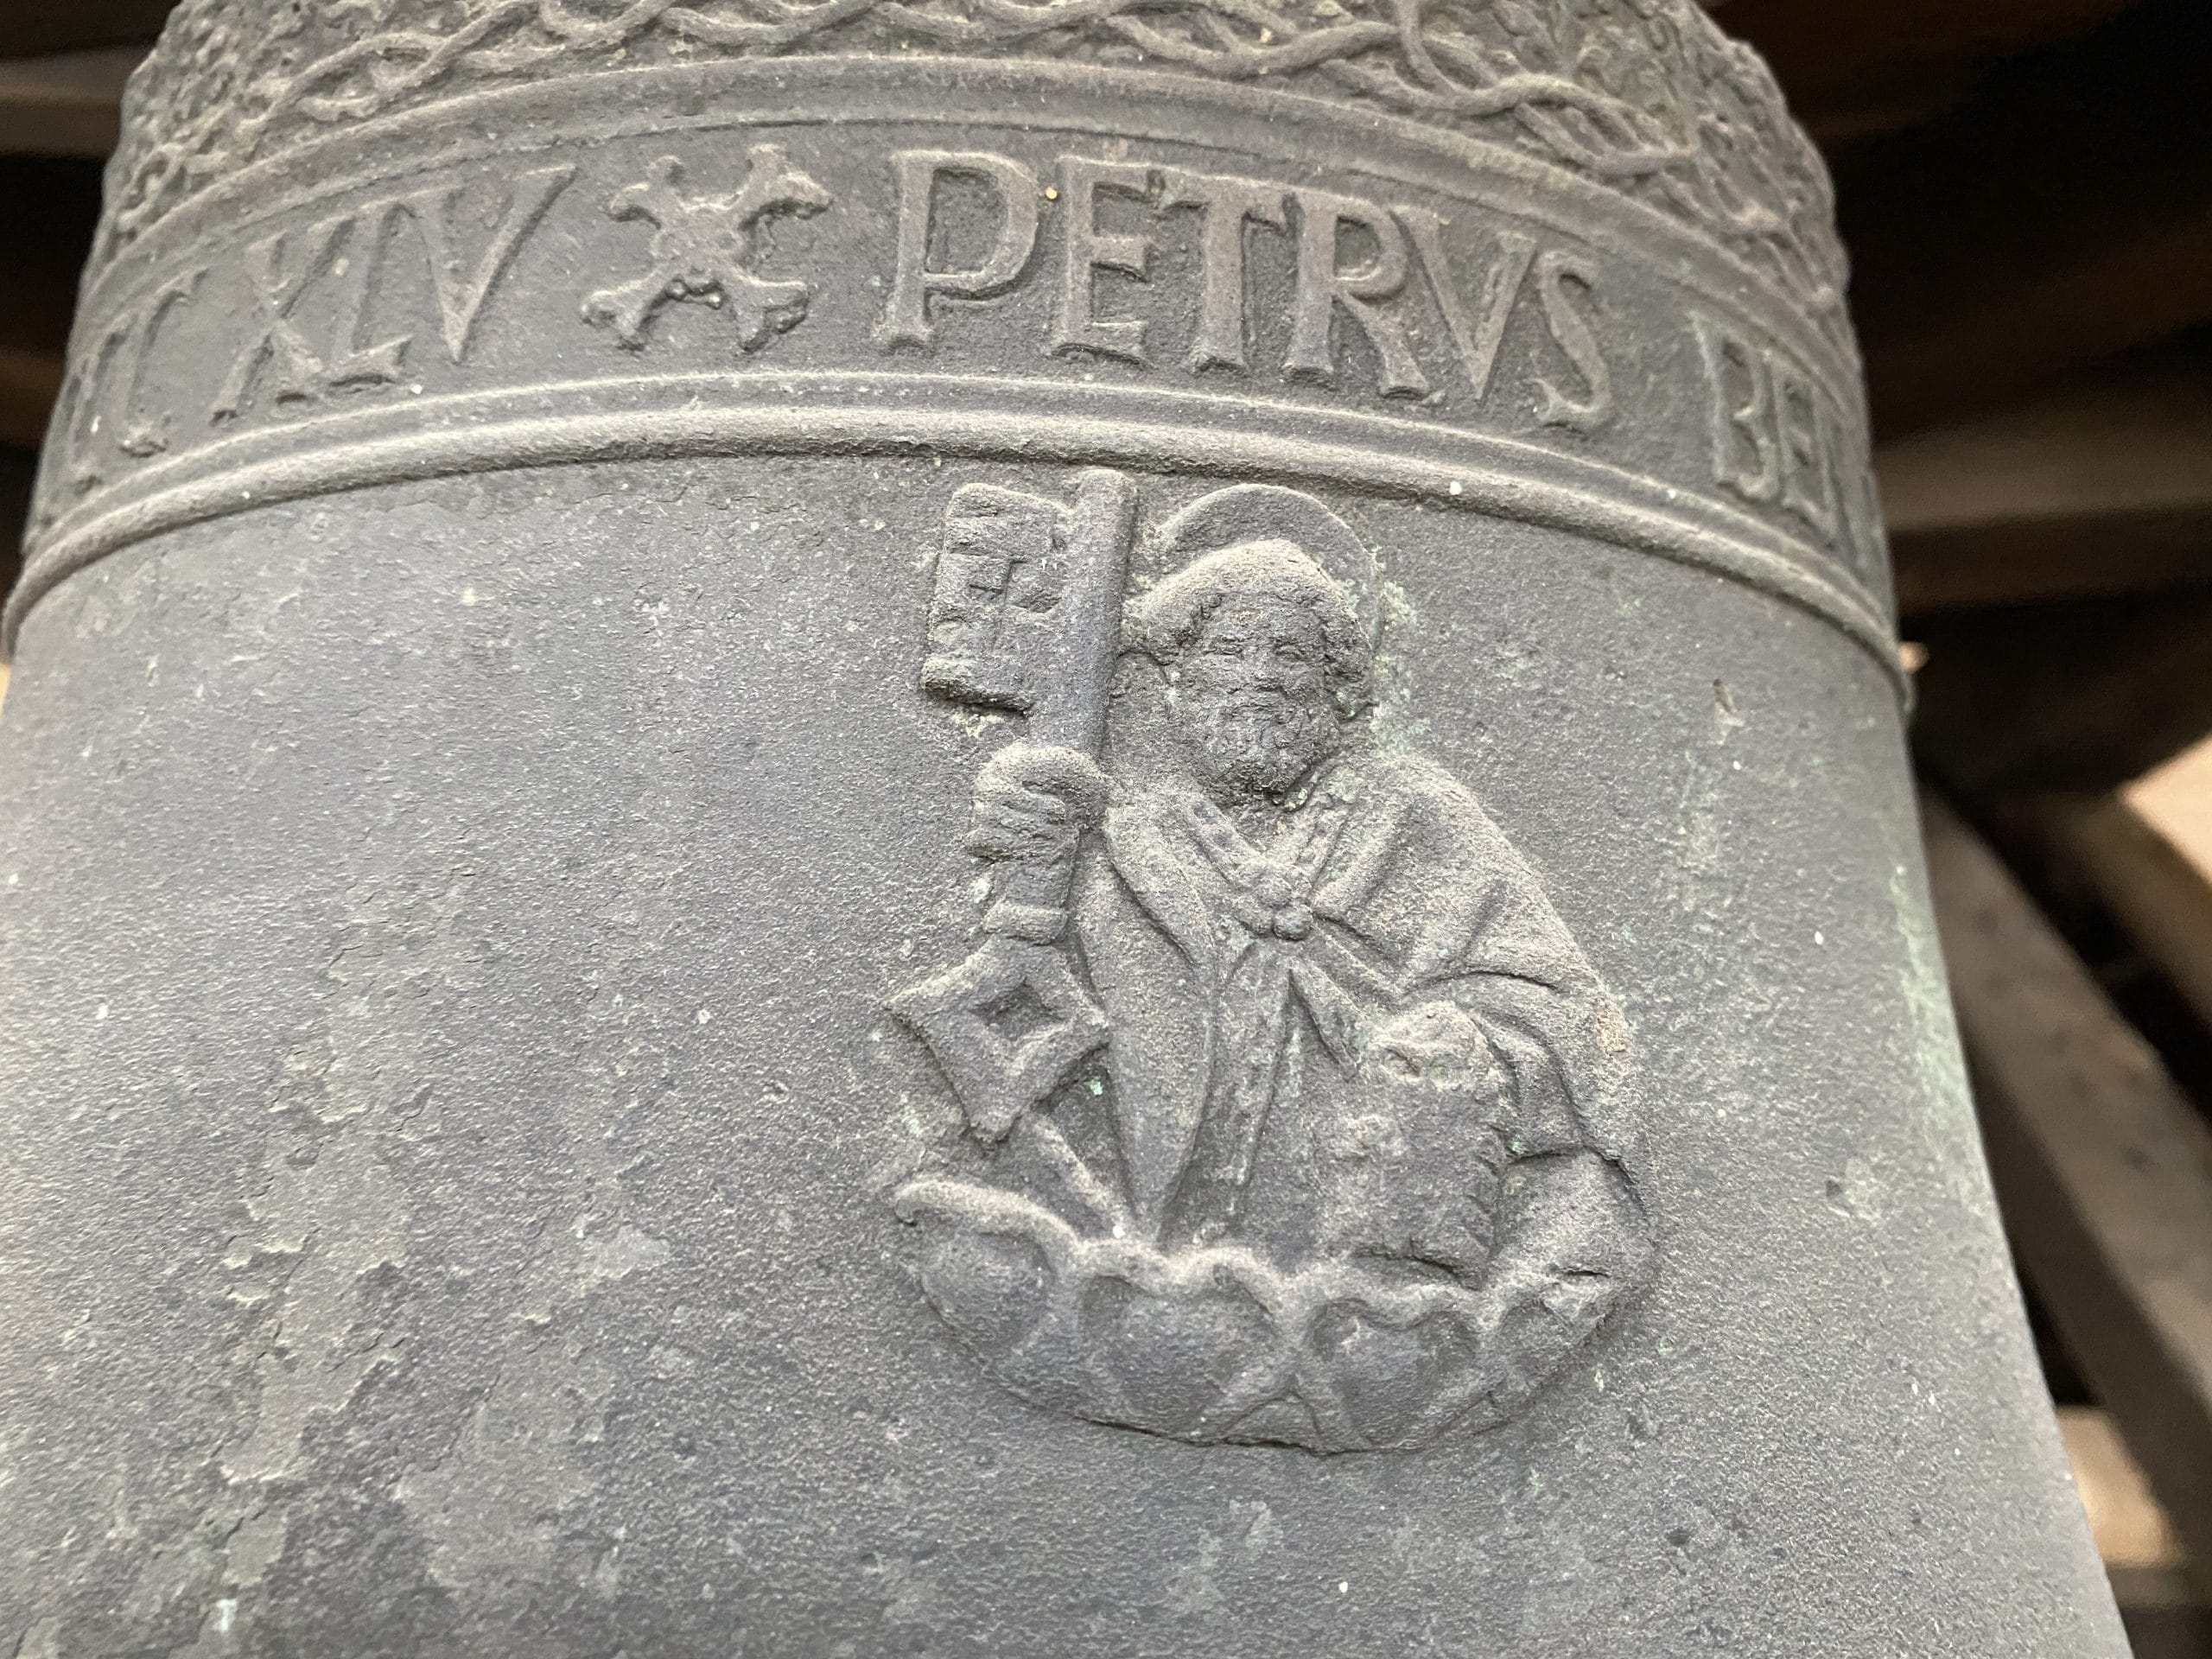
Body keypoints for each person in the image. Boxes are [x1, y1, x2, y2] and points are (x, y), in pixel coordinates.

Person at [964, 535, 1650, 1324]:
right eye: (1229, 651)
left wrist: (1452, 1047)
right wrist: (1038, 847)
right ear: (1178, 681)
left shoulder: (1415, 816)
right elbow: (1043, 990)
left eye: (1290, 654)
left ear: (1338, 687)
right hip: (1153, 1228)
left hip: (1374, 1231)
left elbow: (1556, 1010)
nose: (1259, 677)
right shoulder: (1130, 834)